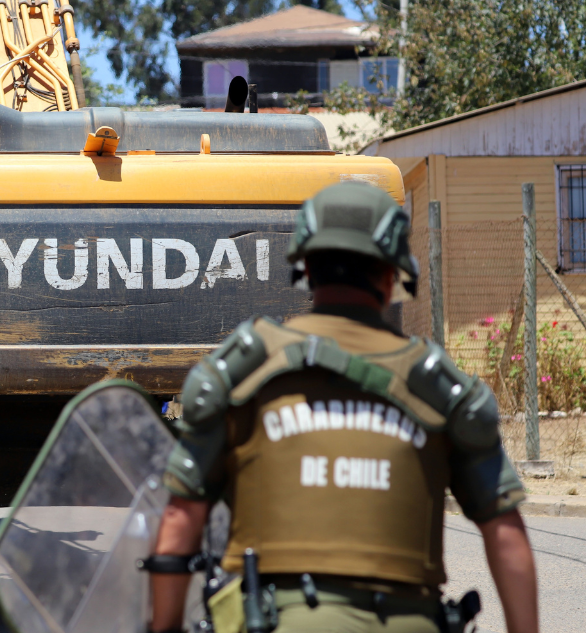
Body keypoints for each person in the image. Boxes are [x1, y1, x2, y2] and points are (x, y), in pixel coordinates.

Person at [149, 183, 538, 633]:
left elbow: (180, 518)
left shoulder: (241, 373)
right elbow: (504, 530)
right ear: (392, 275)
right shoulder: (441, 388)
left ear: (306, 267)